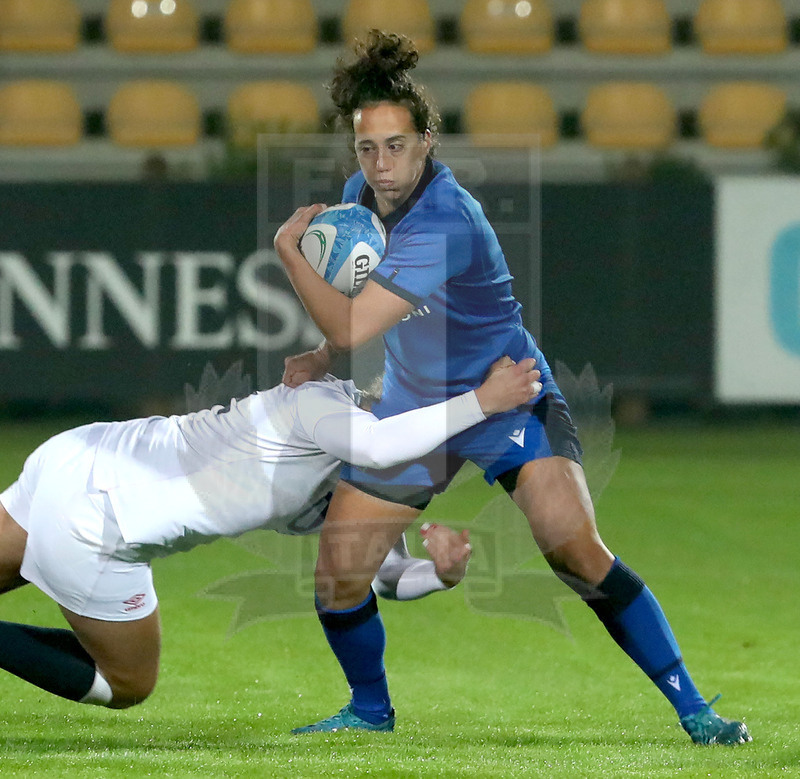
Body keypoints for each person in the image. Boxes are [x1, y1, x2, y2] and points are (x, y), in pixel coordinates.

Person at [273, 30, 751, 745]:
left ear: (427, 139)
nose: (380, 164)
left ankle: (694, 707)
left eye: (396, 145)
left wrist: (289, 251)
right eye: (367, 149)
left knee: (574, 548)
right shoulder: (361, 197)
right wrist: (318, 354)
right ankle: (370, 709)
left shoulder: (446, 218)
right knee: (339, 573)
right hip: (417, 401)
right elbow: (359, 321)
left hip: (507, 391)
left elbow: (352, 325)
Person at [0, 360, 540, 710]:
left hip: (78, 456)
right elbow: (380, 444)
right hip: (102, 519)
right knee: (126, 683)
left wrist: (443, 574)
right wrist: (483, 401)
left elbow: (387, 576)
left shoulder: (356, 474)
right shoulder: (323, 406)